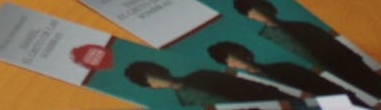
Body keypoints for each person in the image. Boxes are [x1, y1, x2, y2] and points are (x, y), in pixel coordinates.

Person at [230, 0, 381, 99]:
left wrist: (363, 70)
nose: (259, 15)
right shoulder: (264, 39)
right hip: (314, 82)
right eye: (253, 13)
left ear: (268, 7)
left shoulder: (303, 26)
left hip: (347, 72)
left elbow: (341, 50)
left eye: (259, 9)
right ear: (250, 17)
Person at [204, 40, 369, 106]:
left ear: (245, 53)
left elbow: (327, 87)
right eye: (229, 61)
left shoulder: (284, 67)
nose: (236, 62)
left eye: (236, 56)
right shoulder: (247, 88)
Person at [119, 58, 287, 106]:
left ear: (163, 69)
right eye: (152, 79)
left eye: (156, 72)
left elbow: (248, 86)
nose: (159, 77)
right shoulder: (185, 104)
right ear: (152, 87)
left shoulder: (202, 74)